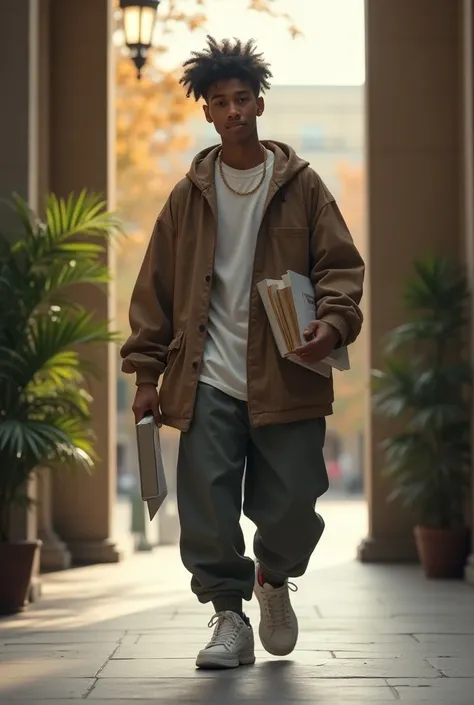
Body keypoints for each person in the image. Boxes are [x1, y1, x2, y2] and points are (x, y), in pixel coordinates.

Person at [121, 36, 365, 670]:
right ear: (206, 111)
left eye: (242, 99)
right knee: (207, 507)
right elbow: (154, 292)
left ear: (259, 102)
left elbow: (340, 267)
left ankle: (273, 580)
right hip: (205, 376)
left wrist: (333, 326)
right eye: (220, 101)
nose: (233, 111)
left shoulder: (303, 187)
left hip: (287, 374)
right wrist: (146, 376)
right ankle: (228, 615)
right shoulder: (186, 198)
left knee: (293, 502)